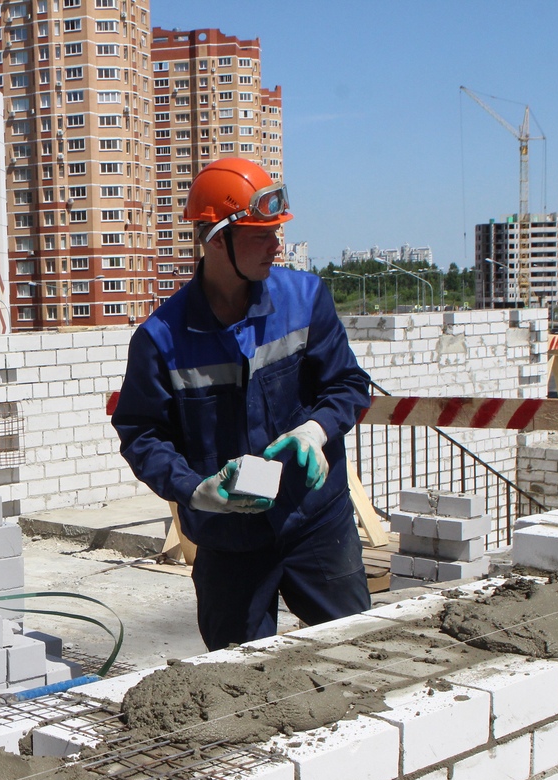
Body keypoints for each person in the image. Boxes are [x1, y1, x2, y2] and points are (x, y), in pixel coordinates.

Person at [111, 157, 372, 651]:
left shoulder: (305, 298)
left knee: (354, 652)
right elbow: (142, 435)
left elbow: (348, 385)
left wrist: (314, 430)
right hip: (228, 540)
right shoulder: (162, 340)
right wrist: (197, 490)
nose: (278, 245)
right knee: (239, 682)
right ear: (215, 239)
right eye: (260, 234)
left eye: (277, 232)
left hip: (314, 521)